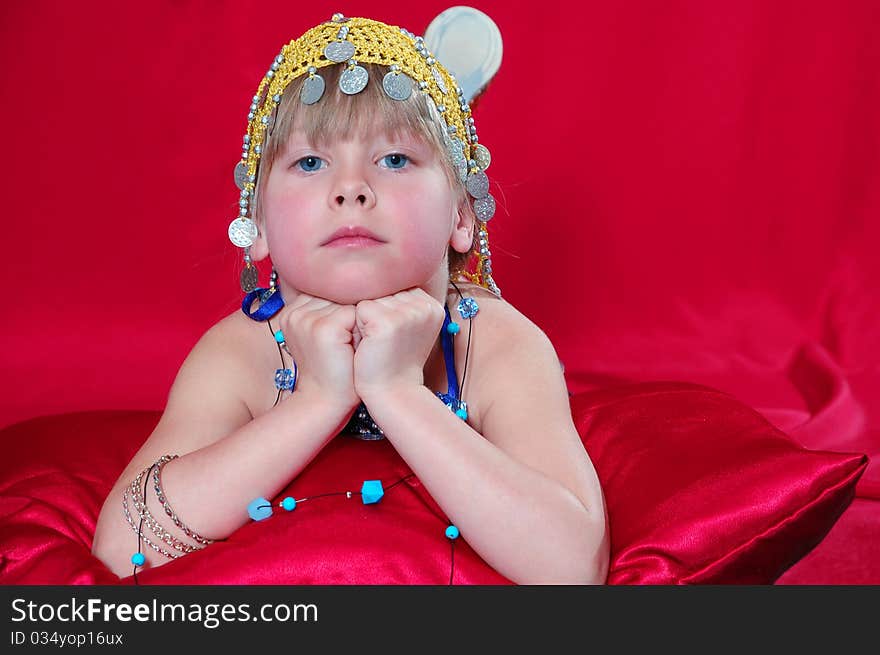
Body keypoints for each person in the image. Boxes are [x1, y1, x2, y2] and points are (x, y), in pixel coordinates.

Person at [91, 12, 609, 584]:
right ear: (256, 223)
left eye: (395, 159)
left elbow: (570, 568)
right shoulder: (243, 352)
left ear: (461, 215)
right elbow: (123, 546)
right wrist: (316, 398)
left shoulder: (496, 343)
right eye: (311, 162)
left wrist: (397, 391)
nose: (351, 189)